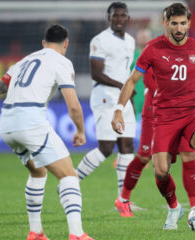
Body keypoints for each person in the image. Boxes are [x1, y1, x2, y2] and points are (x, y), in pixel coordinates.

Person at [112, 3, 195, 230]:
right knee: (161, 170)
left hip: (192, 110)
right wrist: (118, 108)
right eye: (174, 23)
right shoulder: (153, 49)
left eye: (182, 23)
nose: (178, 28)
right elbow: (132, 80)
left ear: (189, 23)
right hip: (164, 115)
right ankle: (174, 207)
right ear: (165, 23)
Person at [0, 24, 93, 240]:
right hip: (30, 121)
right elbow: (73, 105)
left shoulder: (22, 62)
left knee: (38, 172)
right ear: (66, 44)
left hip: (8, 125)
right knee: (68, 175)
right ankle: (77, 235)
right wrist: (80, 130)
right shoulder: (61, 61)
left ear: (43, 43)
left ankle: (36, 233)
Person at [114, 8, 195, 220]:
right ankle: (123, 199)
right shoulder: (150, 55)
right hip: (154, 112)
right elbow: (137, 82)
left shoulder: (172, 53)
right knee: (144, 156)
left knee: (189, 154)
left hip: (179, 112)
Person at [76, 2, 141, 209]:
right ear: (109, 17)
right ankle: (70, 183)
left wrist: (128, 92)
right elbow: (96, 73)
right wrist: (123, 85)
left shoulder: (130, 41)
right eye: (115, 15)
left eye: (123, 15)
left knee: (127, 146)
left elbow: (126, 71)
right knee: (105, 148)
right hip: (105, 97)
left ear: (128, 18)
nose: (119, 19)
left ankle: (123, 201)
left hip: (123, 97)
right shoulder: (100, 40)